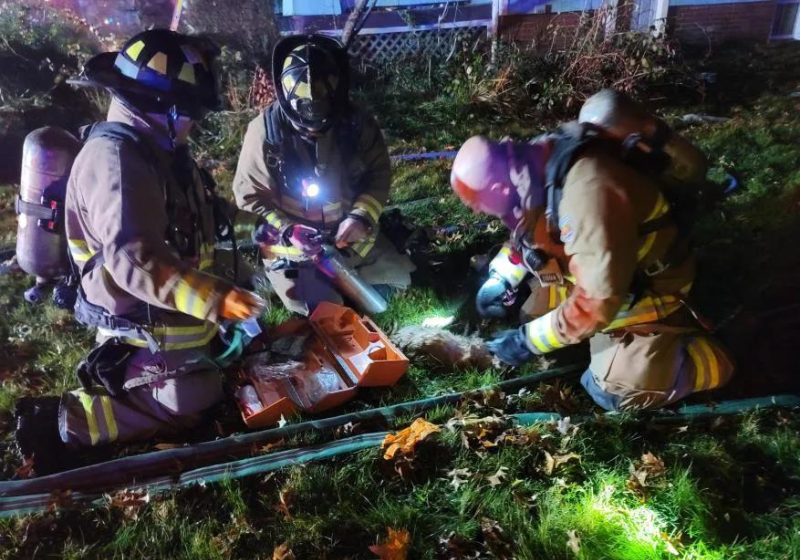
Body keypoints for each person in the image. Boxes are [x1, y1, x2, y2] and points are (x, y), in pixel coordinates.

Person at [14, 29, 274, 475]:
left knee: (238, 359)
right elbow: (135, 261)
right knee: (195, 396)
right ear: (164, 109)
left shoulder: (161, 149)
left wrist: (268, 226)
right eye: (189, 112)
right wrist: (218, 300)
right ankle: (67, 421)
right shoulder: (115, 161)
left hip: (173, 315)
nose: (193, 123)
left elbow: (211, 216)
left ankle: (189, 360)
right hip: (137, 324)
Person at [449, 117, 735, 412]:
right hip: (599, 270)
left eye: (479, 205)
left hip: (645, 290)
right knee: (529, 314)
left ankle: (702, 357)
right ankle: (599, 343)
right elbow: (529, 234)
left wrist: (527, 342)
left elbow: (596, 303)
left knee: (614, 391)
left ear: (498, 187)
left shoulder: (586, 193)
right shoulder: (530, 167)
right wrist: (501, 278)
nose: (481, 212)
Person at [233, 34, 414, 316]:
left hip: (352, 242)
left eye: (321, 124)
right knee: (328, 311)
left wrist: (360, 216)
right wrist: (287, 230)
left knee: (395, 285)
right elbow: (249, 198)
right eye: (305, 126)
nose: (313, 131)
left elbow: (378, 174)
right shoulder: (264, 134)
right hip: (295, 252)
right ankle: (325, 296)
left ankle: (356, 286)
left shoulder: (358, 125)